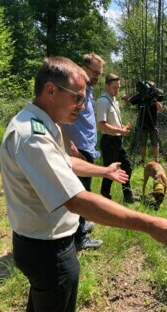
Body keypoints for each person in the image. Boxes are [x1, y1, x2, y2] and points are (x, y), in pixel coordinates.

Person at [0, 56, 167, 312]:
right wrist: (149, 224)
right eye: (77, 97)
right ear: (51, 90)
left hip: (40, 244)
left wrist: (103, 170)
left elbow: (64, 162)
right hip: (48, 251)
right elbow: (77, 200)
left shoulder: (40, 122)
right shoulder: (33, 136)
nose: (82, 106)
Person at [63, 53, 105, 251]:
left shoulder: (88, 90)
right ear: (84, 68)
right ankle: (79, 238)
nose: (97, 76)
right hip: (79, 148)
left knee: (83, 189)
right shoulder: (76, 90)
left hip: (87, 147)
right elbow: (60, 116)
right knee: (81, 193)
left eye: (99, 73)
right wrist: (69, 144)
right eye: (94, 72)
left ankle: (79, 226)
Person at [96, 73, 137, 203]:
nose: (117, 90)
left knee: (127, 167)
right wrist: (120, 130)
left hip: (118, 141)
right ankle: (105, 197)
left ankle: (127, 196)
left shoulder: (115, 100)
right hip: (109, 141)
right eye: (114, 87)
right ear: (107, 86)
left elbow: (113, 122)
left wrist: (123, 127)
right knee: (109, 171)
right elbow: (102, 125)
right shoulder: (103, 101)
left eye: (119, 87)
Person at [123, 81, 163, 163]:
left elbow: (160, 108)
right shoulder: (140, 96)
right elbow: (129, 103)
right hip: (142, 123)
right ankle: (142, 160)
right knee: (142, 143)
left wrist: (155, 100)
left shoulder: (154, 95)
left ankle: (157, 160)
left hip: (153, 124)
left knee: (155, 142)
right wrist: (125, 99)